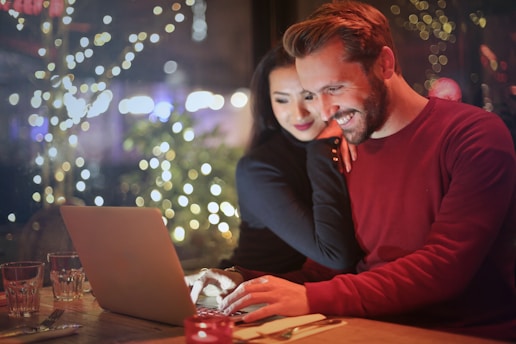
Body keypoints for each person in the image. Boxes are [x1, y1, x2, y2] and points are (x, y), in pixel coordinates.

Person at [189, 1, 516, 341]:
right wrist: (247, 282)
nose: (324, 110)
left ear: (385, 64)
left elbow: (445, 265)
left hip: (462, 333)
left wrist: (311, 297)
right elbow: (332, 271)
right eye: (313, 94)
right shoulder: (347, 145)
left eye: (334, 88)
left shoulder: (473, 135)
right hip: (367, 327)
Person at [194, 43, 362, 281]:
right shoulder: (258, 168)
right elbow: (335, 256)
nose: (298, 113)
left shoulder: (350, 144)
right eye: (282, 100)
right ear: (268, 103)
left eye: (308, 96)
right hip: (251, 296)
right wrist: (322, 148)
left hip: (312, 300)